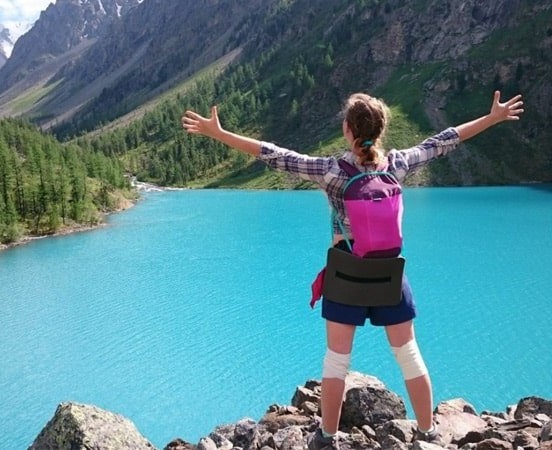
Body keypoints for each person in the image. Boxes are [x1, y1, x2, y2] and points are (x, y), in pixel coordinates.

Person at [181, 90, 524, 448]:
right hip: (389, 272)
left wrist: (219, 133)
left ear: (347, 129)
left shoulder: (331, 171)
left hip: (346, 271)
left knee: (336, 361)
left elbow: (275, 155)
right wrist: (492, 118)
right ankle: (427, 432)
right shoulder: (397, 165)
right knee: (408, 354)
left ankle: (327, 437)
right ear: (382, 129)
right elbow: (444, 141)